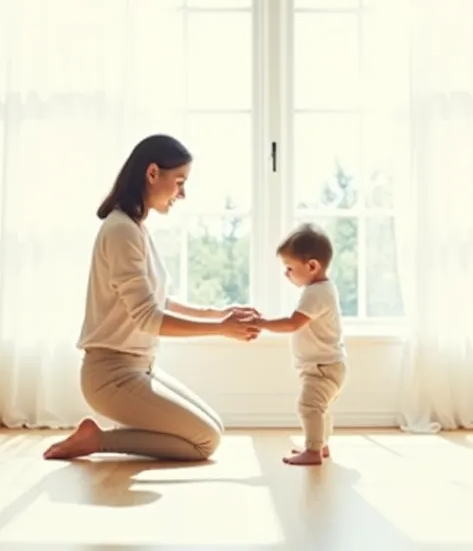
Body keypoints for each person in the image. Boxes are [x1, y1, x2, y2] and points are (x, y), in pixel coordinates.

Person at [43, 134, 262, 462]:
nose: (182, 194)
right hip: (110, 376)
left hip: (140, 368)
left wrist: (218, 314)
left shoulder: (135, 228)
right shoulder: (121, 231)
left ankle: (97, 438)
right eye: (180, 182)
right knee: (206, 440)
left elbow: (160, 301)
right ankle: (97, 441)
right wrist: (221, 329)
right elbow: (147, 317)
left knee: (213, 427)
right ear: (152, 173)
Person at [252, 223, 347, 466]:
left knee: (308, 406)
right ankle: (320, 445)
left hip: (322, 367)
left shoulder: (315, 293)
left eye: (289, 268)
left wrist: (261, 323)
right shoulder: (323, 289)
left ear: (312, 266)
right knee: (321, 409)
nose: (287, 274)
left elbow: (293, 323)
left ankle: (313, 451)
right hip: (328, 365)